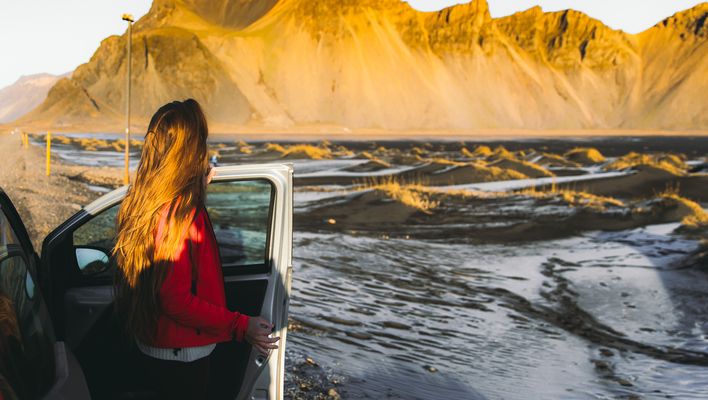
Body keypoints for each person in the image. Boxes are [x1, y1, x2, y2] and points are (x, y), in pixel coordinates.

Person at [113, 99, 278, 400]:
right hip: (182, 356)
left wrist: (198, 186)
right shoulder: (181, 212)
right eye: (201, 140)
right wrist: (242, 325)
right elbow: (175, 299)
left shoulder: (140, 200)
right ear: (190, 150)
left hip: (153, 343)